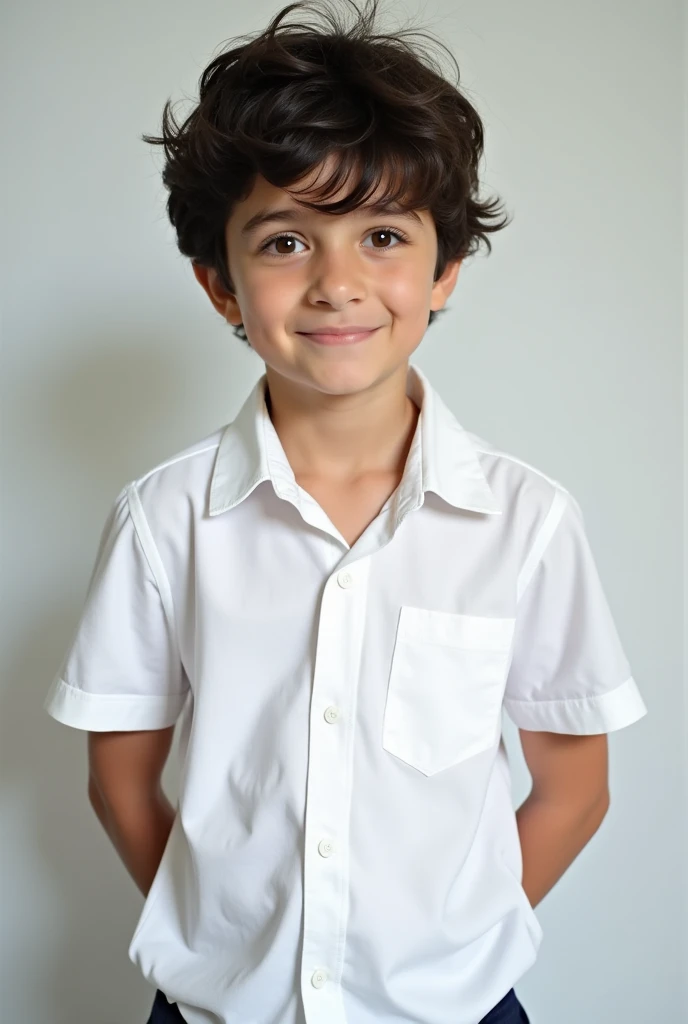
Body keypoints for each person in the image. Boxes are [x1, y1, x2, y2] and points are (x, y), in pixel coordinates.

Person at [43, 2, 649, 1022]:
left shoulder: (524, 520)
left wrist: (446, 949)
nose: (337, 283)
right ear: (219, 286)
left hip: (452, 1005)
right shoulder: (162, 520)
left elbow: (573, 788)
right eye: (284, 240)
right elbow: (122, 780)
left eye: (380, 235)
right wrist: (228, 949)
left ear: (443, 271)